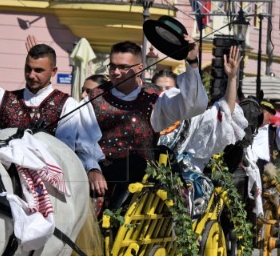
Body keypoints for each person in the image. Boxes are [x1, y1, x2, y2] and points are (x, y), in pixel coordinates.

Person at [0, 42, 106, 193]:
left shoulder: (67, 105)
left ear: (53, 71)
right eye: (28, 69)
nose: (31, 75)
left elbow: (84, 145)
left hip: (50, 187)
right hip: (6, 182)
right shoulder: (4, 98)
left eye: (39, 70)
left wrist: (93, 169)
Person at [86, 38, 208, 207]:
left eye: (123, 67)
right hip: (101, 174)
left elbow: (194, 105)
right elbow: (83, 138)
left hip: (141, 180)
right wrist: (92, 168)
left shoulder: (155, 97)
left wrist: (192, 62)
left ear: (139, 69)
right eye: (112, 66)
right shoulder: (95, 96)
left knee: (142, 161)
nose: (115, 72)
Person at [158, 46, 247, 217]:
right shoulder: (147, 116)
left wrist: (232, 78)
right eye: (159, 89)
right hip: (151, 176)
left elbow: (225, 112)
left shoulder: (195, 117)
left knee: (189, 188)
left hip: (186, 176)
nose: (164, 94)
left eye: (169, 89)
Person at [242, 94, 280, 217]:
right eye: (264, 112)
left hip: (266, 173)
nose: (268, 117)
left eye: (268, 113)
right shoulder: (245, 127)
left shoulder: (274, 132)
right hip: (245, 169)